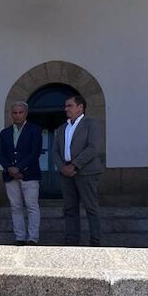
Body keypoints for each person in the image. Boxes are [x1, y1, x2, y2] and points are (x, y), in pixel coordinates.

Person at [53, 95, 103, 246]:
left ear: (80, 107)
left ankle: (95, 240)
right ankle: (71, 240)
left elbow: (93, 148)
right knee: (70, 208)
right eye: (66, 106)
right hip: (66, 173)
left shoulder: (91, 124)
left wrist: (74, 165)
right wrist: (62, 167)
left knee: (91, 207)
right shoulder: (62, 128)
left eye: (69, 105)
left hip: (86, 172)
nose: (66, 109)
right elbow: (55, 151)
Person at [0, 102, 43, 246]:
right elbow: (0, 154)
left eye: (20, 112)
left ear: (26, 113)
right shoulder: (4, 133)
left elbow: (35, 152)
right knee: (15, 207)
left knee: (32, 206)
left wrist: (20, 168)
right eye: (14, 113)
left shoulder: (34, 130)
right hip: (10, 176)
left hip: (30, 175)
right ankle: (20, 237)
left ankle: (33, 238)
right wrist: (9, 168)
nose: (17, 115)